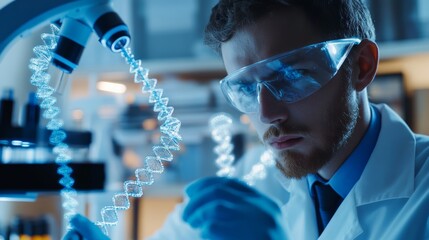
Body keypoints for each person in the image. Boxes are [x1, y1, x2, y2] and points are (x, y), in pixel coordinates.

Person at [64, 0, 429, 239]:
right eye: (245, 88)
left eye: (290, 76)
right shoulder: (252, 179)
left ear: (361, 66)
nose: (267, 114)